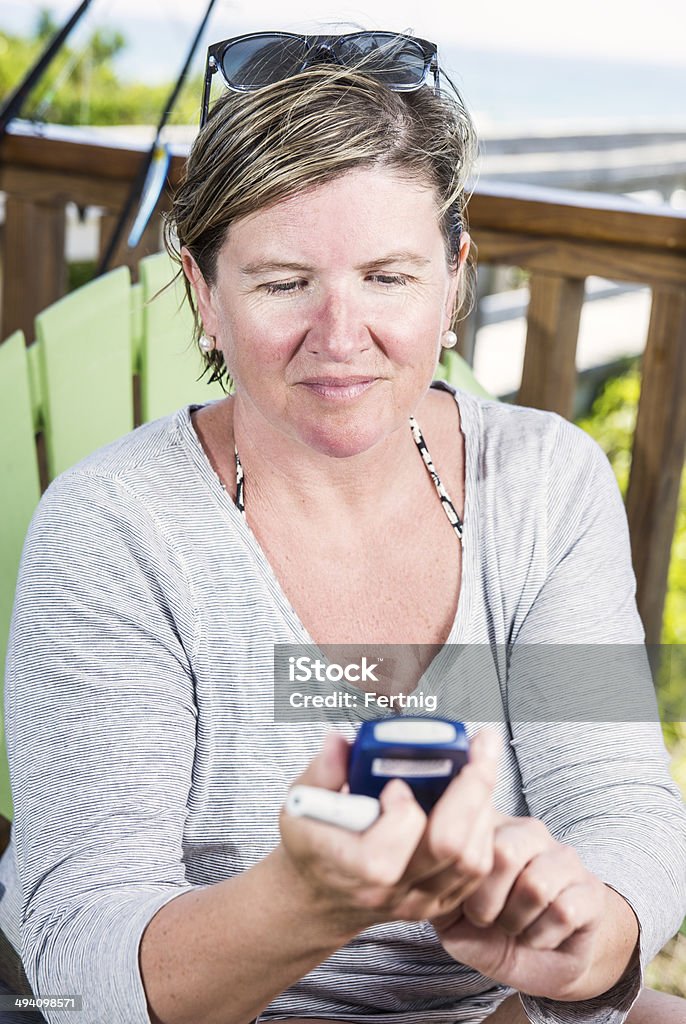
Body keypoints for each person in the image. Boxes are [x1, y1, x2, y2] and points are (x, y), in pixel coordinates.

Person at [0, 29, 685, 1024]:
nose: (339, 335)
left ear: (452, 279)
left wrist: (590, 934)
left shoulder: (544, 483)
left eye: (388, 276)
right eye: (283, 282)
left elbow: (621, 811)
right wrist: (301, 906)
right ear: (203, 294)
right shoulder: (115, 531)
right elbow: (77, 947)